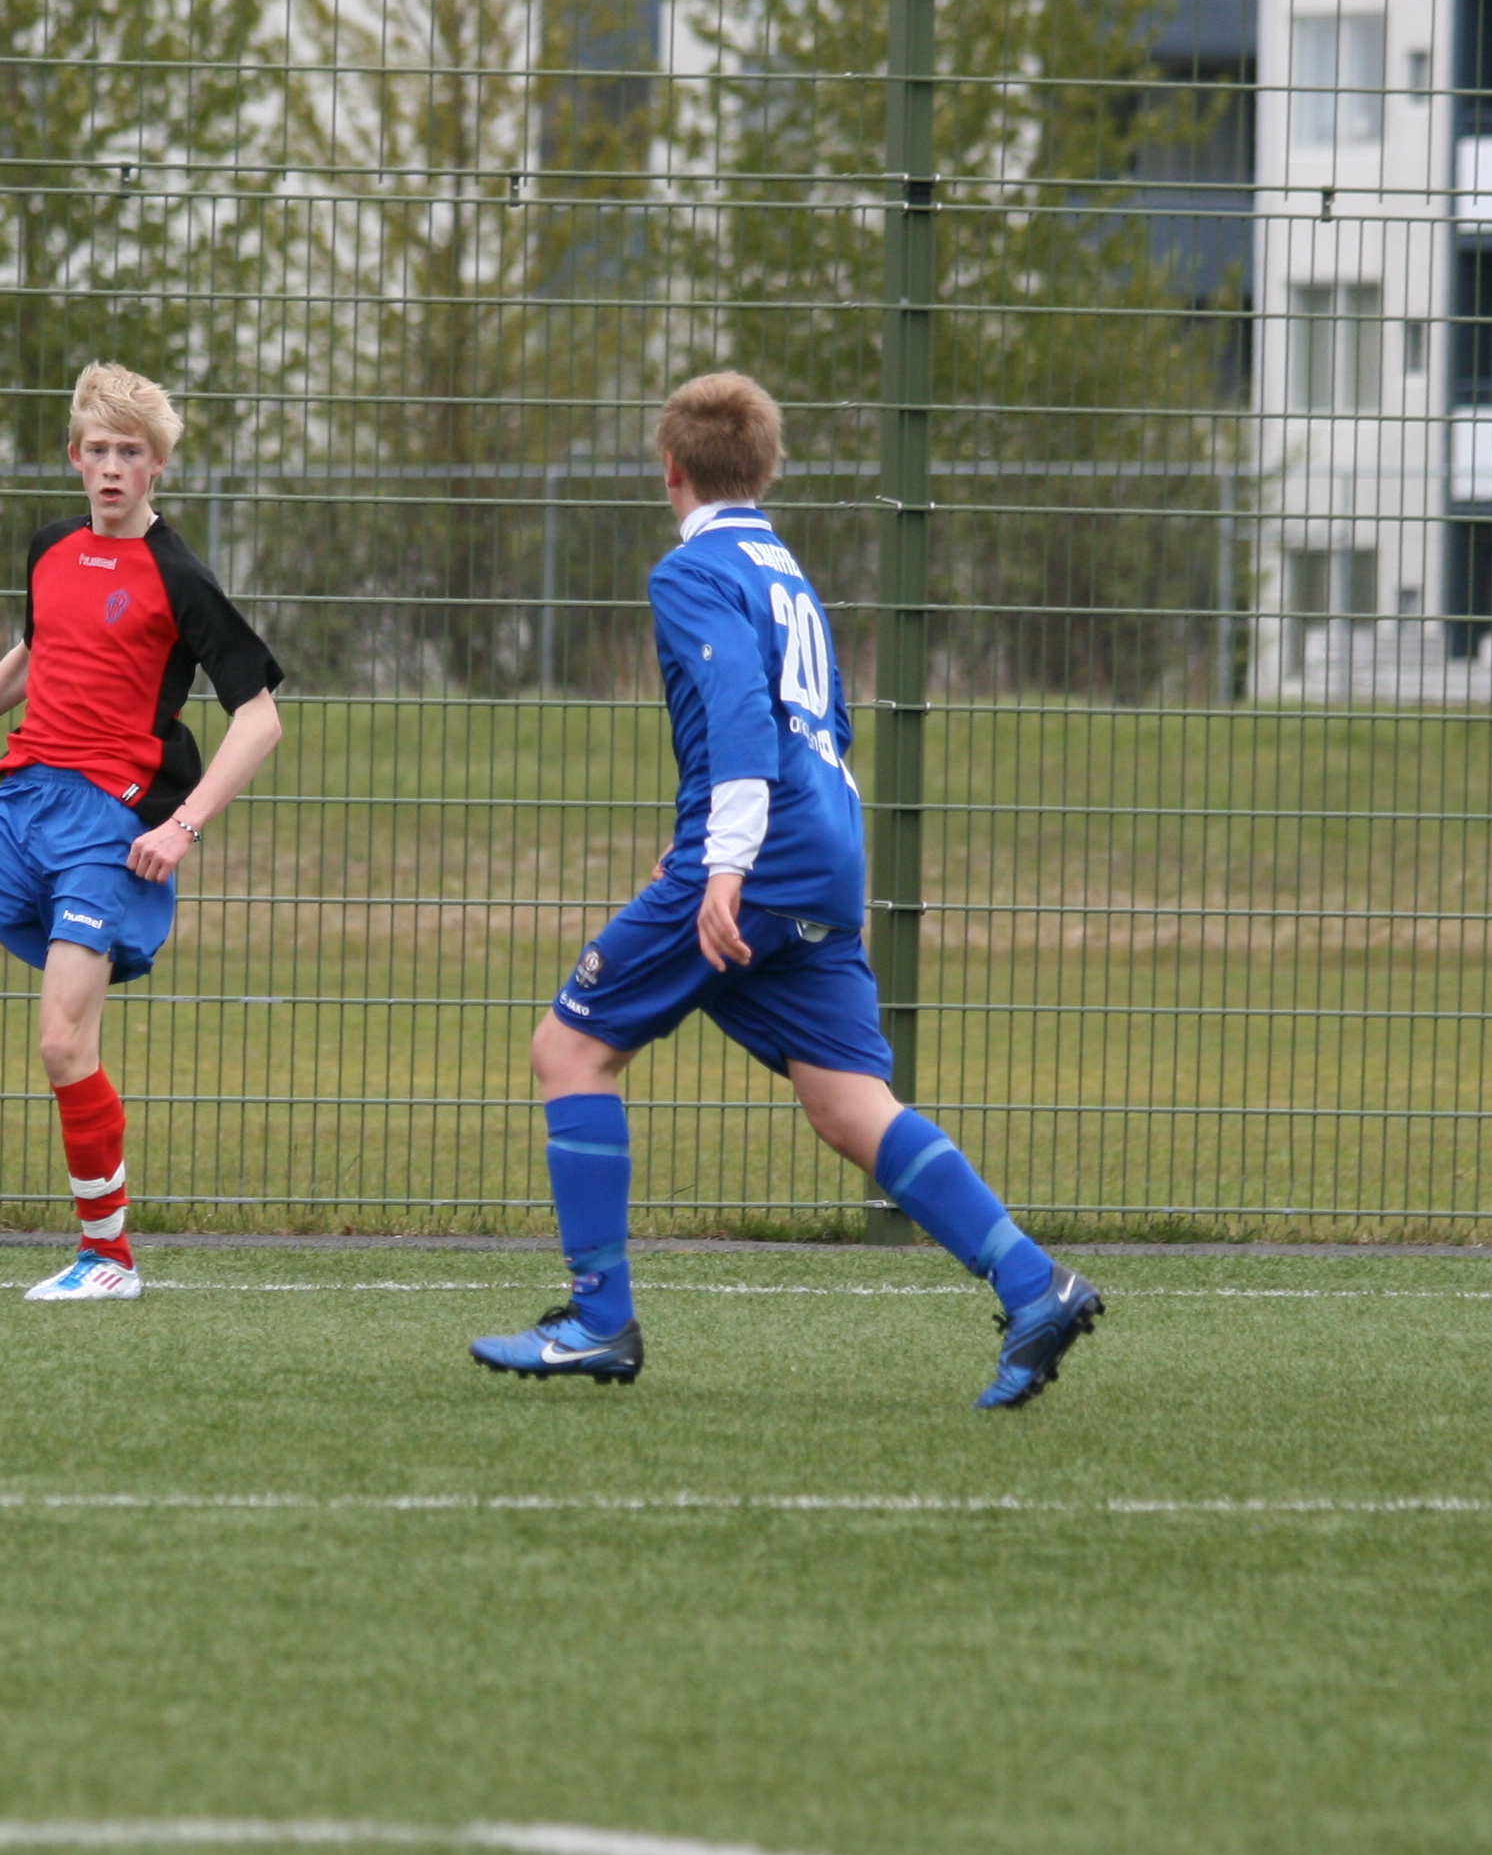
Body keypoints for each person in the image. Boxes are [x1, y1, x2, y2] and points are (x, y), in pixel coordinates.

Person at [470, 371, 1102, 1404]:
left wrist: (724, 864)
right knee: (848, 1104)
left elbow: (738, 714)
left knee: (569, 1048)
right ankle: (1034, 1285)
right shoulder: (786, 572)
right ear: (765, 471)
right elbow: (829, 728)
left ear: (668, 470)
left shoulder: (691, 570)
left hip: (761, 852)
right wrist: (736, 853)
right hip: (825, 846)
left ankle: (597, 1321)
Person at [0, 363, 285, 1299]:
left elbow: (260, 719)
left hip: (107, 825)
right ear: (74, 456)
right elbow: (38, 652)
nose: (112, 468)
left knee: (64, 1044)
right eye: (98, 450)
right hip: (20, 804)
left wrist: (183, 826)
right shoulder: (51, 548)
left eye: (131, 453)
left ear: (157, 466)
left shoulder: (182, 578)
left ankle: (109, 1257)